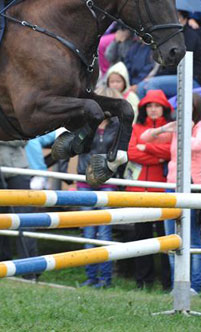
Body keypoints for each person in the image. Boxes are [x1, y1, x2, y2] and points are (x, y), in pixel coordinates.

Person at [141, 94, 201, 294]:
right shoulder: (178, 128)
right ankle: (176, 286)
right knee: (171, 239)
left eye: (187, 106)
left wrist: (185, 130)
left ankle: (195, 287)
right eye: (180, 107)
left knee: (194, 240)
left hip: (191, 188)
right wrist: (166, 128)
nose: (182, 110)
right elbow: (145, 137)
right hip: (170, 187)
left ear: (196, 108)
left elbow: (196, 145)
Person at [125, 90, 173, 290]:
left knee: (165, 240)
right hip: (137, 191)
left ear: (164, 108)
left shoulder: (170, 128)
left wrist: (146, 148)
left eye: (157, 106)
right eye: (150, 106)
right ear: (144, 108)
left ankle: (167, 282)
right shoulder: (136, 127)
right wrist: (158, 157)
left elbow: (171, 151)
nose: (153, 110)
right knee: (141, 237)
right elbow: (130, 152)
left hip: (161, 192)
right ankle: (143, 281)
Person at [76, 86, 121, 288]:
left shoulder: (118, 126)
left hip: (107, 182)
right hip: (85, 181)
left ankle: (105, 279)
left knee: (104, 233)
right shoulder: (85, 123)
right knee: (88, 233)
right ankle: (91, 277)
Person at [0, 140, 39, 268]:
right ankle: (0, 265)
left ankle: (30, 267)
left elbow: (22, 140)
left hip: (18, 170)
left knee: (25, 219)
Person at [136, 10, 201, 98]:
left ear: (185, 19)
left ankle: (160, 112)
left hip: (192, 79)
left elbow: (176, 64)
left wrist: (155, 78)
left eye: (177, 17)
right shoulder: (172, 36)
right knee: (140, 87)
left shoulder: (191, 36)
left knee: (152, 84)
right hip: (174, 76)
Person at [104, 25, 153, 93]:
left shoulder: (150, 50)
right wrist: (116, 41)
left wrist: (134, 84)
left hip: (139, 82)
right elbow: (110, 57)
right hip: (124, 77)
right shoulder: (136, 46)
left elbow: (147, 69)